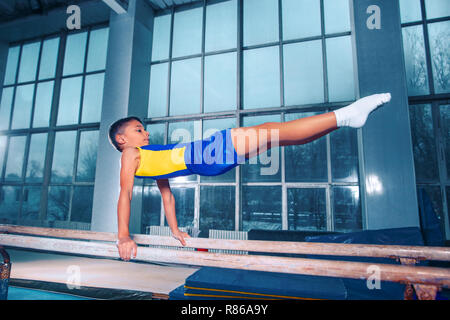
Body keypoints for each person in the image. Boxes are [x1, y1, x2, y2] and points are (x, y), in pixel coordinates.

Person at [109, 93, 391, 261]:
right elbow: (125, 194)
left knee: (277, 136)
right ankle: (345, 115)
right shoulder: (130, 154)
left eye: (144, 129)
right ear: (122, 139)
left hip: (207, 159)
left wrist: (174, 230)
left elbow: (167, 195)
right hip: (207, 154)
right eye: (138, 129)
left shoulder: (149, 156)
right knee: (275, 132)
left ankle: (343, 121)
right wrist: (123, 236)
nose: (145, 133)